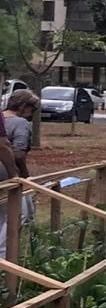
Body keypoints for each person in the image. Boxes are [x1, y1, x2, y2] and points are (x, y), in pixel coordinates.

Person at [0, 90, 39, 264]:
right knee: (20, 215)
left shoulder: (2, 118)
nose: (33, 114)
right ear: (23, 106)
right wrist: (24, 176)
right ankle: (5, 258)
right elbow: (18, 154)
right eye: (33, 109)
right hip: (9, 175)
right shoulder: (21, 123)